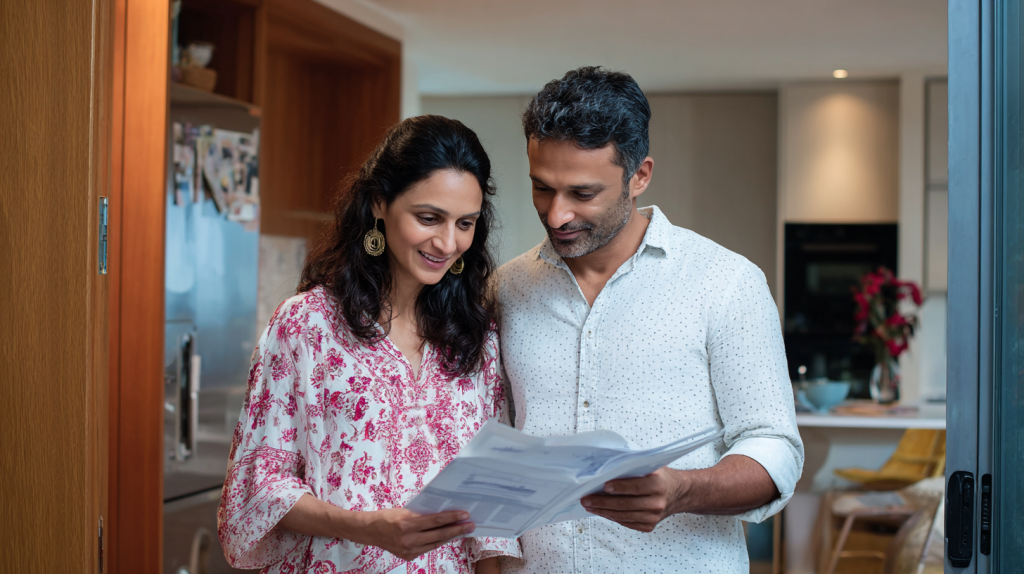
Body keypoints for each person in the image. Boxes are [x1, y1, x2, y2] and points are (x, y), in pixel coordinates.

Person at [493, 67, 804, 573]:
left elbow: (776, 447)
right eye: (542, 188)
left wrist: (684, 490)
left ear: (639, 176)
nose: (556, 215)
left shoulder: (726, 283)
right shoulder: (504, 290)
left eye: (583, 193)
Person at [218, 115, 521, 574]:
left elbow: (491, 502)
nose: (448, 242)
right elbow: (259, 485)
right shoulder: (306, 325)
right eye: (428, 218)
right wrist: (365, 527)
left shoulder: (477, 336)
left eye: (466, 223)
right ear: (380, 202)